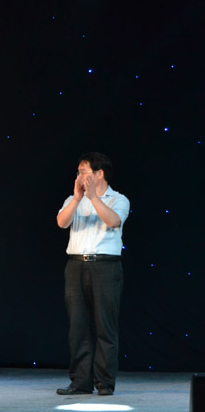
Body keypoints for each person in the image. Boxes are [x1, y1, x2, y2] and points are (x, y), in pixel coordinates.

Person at [56, 152, 129, 396]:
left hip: (105, 267)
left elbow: (113, 221)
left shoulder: (118, 199)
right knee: (78, 326)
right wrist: (78, 199)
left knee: (105, 326)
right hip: (76, 265)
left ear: (100, 174)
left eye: (84, 172)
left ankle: (104, 383)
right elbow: (62, 222)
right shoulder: (73, 199)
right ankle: (80, 382)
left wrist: (93, 198)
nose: (79, 177)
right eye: (78, 172)